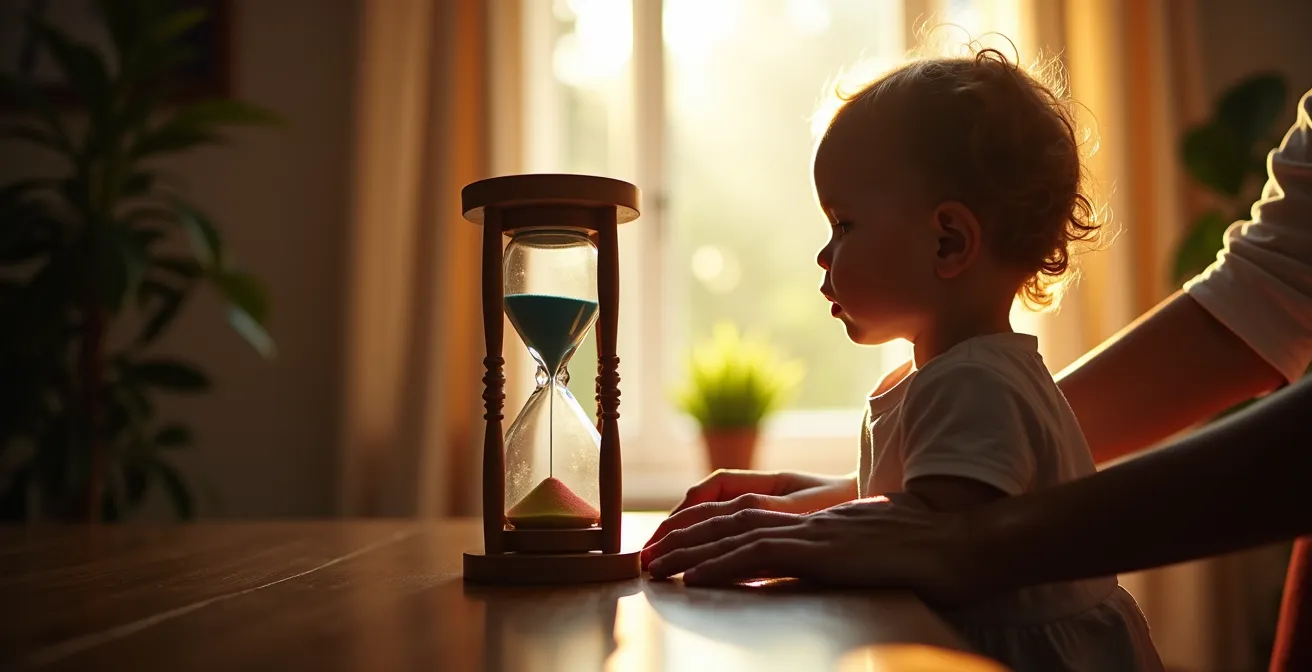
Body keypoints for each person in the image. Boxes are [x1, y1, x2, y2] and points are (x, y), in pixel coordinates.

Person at [643, 80, 1312, 671]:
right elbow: (926, 511)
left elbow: (944, 529)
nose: (824, 253)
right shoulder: (953, 371)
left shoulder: (970, 379)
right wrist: (819, 500)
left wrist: (802, 533)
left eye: (843, 224)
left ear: (949, 241)